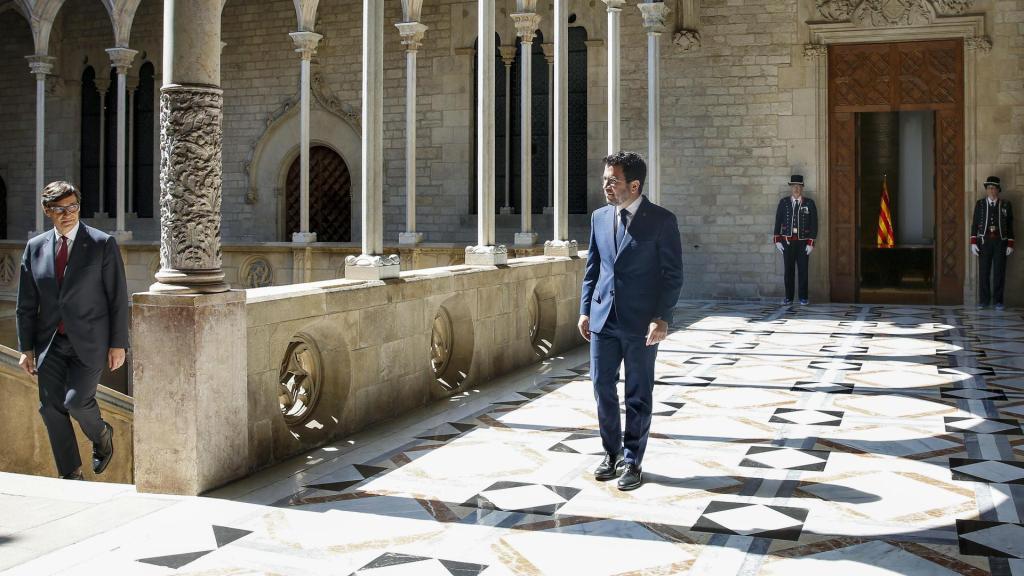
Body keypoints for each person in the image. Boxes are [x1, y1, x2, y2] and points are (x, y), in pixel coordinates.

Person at [578, 151, 683, 491]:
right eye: (605, 179)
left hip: (641, 324)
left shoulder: (662, 221)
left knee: (638, 394)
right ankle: (612, 453)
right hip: (602, 318)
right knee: (601, 388)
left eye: (613, 180)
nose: (606, 185)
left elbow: (672, 275)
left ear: (634, 185)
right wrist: (584, 310)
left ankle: (634, 461)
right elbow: (593, 268)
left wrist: (662, 318)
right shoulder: (598, 218)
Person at [16, 181, 129, 480]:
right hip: (49, 343)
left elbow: (117, 297)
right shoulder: (35, 247)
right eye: (59, 209)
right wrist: (25, 348)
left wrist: (118, 344)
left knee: (76, 402)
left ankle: (102, 434)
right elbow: (26, 303)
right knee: (51, 409)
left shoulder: (102, 243)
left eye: (72, 207)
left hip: (90, 341)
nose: (67, 214)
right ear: (47, 211)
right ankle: (71, 475)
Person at [971, 176, 1015, 310]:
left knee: (999, 272)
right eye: (989, 188)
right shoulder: (980, 204)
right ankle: (984, 300)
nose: (991, 190)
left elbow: (1010, 225)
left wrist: (1010, 244)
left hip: (1000, 243)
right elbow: (975, 224)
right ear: (986, 190)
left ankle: (998, 301)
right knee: (984, 272)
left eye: (993, 188)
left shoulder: (1006, 204)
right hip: (984, 242)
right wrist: (973, 242)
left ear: (998, 190)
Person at [773, 175, 818, 305]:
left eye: (798, 186)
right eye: (794, 186)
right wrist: (777, 240)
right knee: (788, 270)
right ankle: (788, 297)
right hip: (787, 242)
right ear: (791, 188)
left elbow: (814, 224)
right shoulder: (784, 202)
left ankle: (803, 297)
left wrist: (811, 243)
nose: (796, 188)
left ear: (802, 188)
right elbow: (778, 221)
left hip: (803, 243)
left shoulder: (809, 203)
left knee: (803, 270)